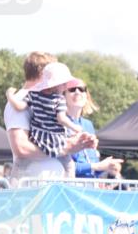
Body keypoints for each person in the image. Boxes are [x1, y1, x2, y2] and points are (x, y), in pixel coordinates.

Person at [6, 51, 96, 185]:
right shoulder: (24, 98)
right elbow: (21, 148)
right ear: (44, 74)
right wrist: (66, 148)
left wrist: (79, 141)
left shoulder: (45, 97)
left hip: (46, 187)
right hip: (34, 188)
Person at [64, 78, 123, 179]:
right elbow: (63, 166)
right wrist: (97, 166)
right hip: (69, 186)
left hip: (90, 186)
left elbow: (93, 166)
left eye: (82, 89)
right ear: (63, 96)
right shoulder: (58, 124)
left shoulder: (88, 125)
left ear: (86, 96)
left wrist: (107, 167)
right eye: (72, 89)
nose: (77, 92)